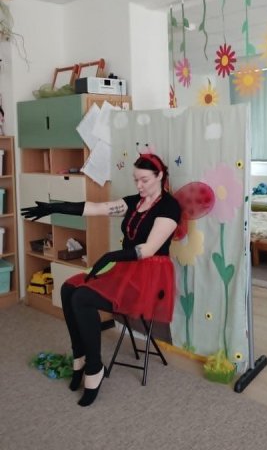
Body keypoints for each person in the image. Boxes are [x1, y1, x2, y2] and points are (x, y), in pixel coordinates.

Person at [21, 153, 181, 407]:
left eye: (144, 180)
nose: (138, 185)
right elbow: (96, 208)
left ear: (160, 176)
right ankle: (80, 358)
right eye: (136, 179)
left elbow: (149, 249)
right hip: (124, 270)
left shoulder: (170, 206)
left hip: (148, 279)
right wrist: (55, 207)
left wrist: (110, 256)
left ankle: (95, 368)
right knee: (68, 288)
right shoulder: (134, 202)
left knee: (82, 297)